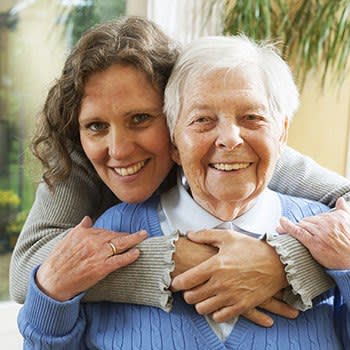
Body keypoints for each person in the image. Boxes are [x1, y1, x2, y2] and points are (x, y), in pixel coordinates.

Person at [10, 16, 350, 324]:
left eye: (140, 118)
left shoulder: (236, 151)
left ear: (177, 119)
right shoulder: (78, 162)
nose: (119, 149)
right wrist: (172, 260)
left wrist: (280, 264)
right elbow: (27, 271)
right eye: (97, 126)